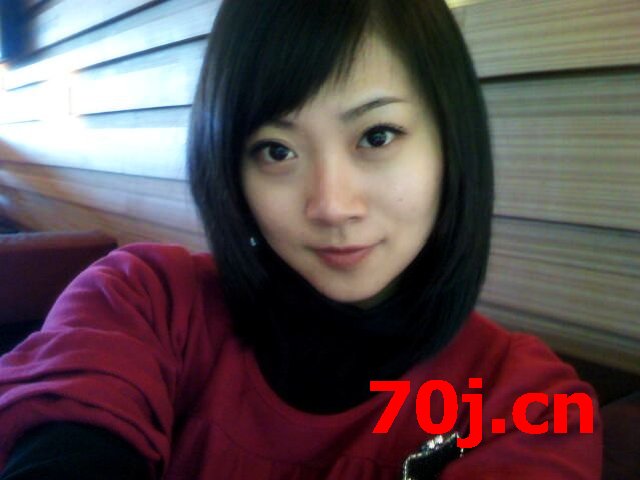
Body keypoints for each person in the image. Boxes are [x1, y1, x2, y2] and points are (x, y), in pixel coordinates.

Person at [0, 0, 602, 478]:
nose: (331, 206)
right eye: (276, 151)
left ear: (450, 139)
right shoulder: (145, 300)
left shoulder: (524, 403)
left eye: (376, 135)